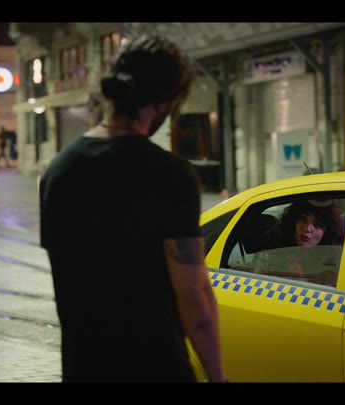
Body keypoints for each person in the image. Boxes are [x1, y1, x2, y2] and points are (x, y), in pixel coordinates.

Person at [39, 33, 226, 383]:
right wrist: (218, 378)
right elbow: (194, 296)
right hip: (157, 369)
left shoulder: (58, 173)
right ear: (163, 102)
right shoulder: (171, 176)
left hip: (84, 370)